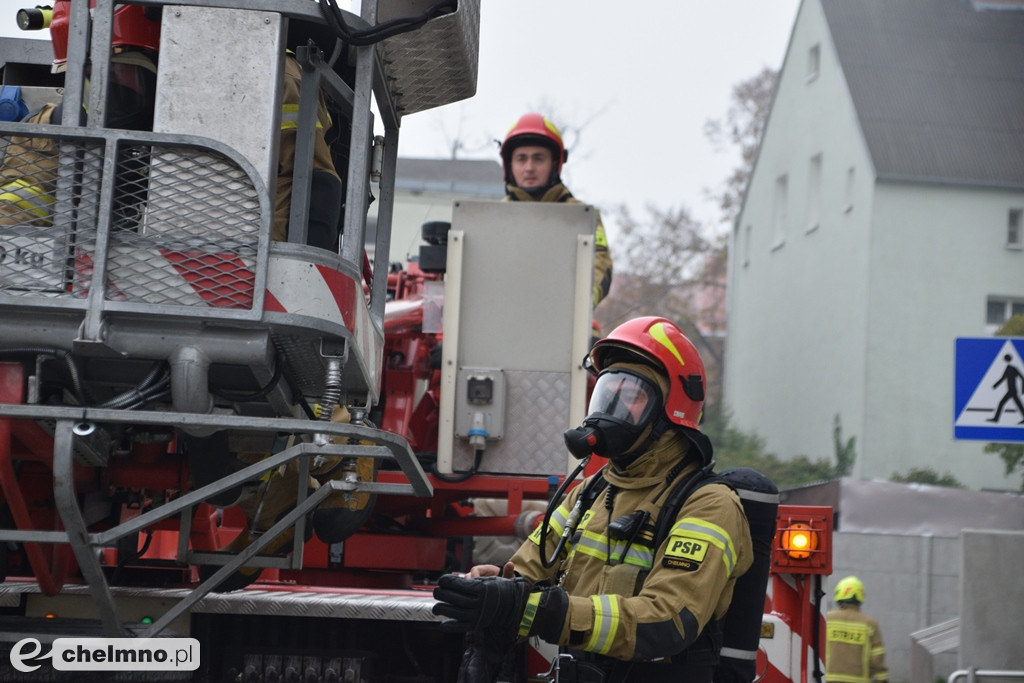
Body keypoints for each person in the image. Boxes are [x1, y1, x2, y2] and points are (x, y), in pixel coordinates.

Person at [432, 316, 753, 683]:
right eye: (607, 392)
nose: (611, 408)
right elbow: (528, 573)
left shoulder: (708, 505)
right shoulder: (590, 493)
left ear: (669, 411)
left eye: (631, 395)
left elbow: (664, 620)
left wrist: (536, 611)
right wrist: (497, 599)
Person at [500, 112, 613, 310]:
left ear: (555, 163)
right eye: (521, 158)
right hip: (502, 315)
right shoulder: (493, 217)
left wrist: (581, 305)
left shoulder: (582, 215)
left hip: (567, 320)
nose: (529, 167)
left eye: (538, 158)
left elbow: (600, 264)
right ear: (509, 165)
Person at [825, 576, 889, 683]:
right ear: (861, 596)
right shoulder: (869, 624)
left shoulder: (827, 619)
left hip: (828, 679)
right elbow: (877, 656)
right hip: (859, 680)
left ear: (838, 593)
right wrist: (882, 679)